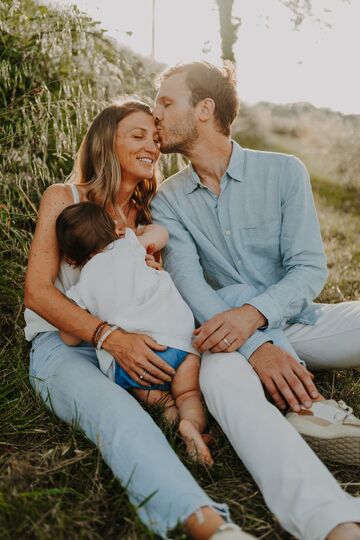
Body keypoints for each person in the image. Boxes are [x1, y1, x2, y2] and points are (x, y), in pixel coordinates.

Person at [24, 100, 257, 540]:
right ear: (104, 142)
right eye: (137, 134)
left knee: (207, 380)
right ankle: (206, 524)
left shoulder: (150, 217)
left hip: (148, 341)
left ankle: (218, 423)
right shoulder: (65, 199)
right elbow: (38, 293)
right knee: (117, 414)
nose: (152, 144)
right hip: (65, 345)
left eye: (154, 136)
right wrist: (108, 335)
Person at [151, 62, 360, 540]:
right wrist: (254, 346)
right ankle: (332, 520)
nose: (155, 113)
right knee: (222, 384)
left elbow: (308, 268)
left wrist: (256, 316)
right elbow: (191, 287)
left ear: (204, 109)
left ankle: (311, 413)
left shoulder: (285, 171)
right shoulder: (168, 201)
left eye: (166, 102)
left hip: (303, 322)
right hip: (227, 341)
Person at [54, 200, 213, 464]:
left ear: (71, 258)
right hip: (177, 341)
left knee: (165, 404)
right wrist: (137, 236)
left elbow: (68, 336)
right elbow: (161, 233)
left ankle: (174, 423)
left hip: (133, 361)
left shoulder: (82, 286)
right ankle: (192, 426)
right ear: (114, 231)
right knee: (188, 394)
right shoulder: (128, 246)